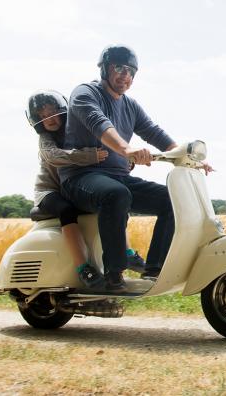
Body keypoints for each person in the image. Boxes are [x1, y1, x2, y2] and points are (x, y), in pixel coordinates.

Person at [59, 45, 177, 292]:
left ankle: (154, 269)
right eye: (120, 68)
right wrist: (127, 150)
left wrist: (187, 156)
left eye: (131, 71)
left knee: (172, 199)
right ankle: (114, 275)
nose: (126, 75)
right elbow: (99, 124)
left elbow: (154, 132)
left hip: (118, 177)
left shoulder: (130, 105)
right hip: (81, 178)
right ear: (105, 68)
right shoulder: (84, 93)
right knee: (116, 194)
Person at [26, 90, 146, 290]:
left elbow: (105, 147)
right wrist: (87, 156)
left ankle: (126, 253)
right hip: (51, 190)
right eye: (43, 115)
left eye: (53, 112)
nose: (50, 118)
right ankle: (84, 268)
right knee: (66, 210)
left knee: (115, 198)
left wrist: (125, 161)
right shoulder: (46, 139)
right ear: (37, 119)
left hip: (73, 187)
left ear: (62, 110)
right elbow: (54, 157)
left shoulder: (77, 130)